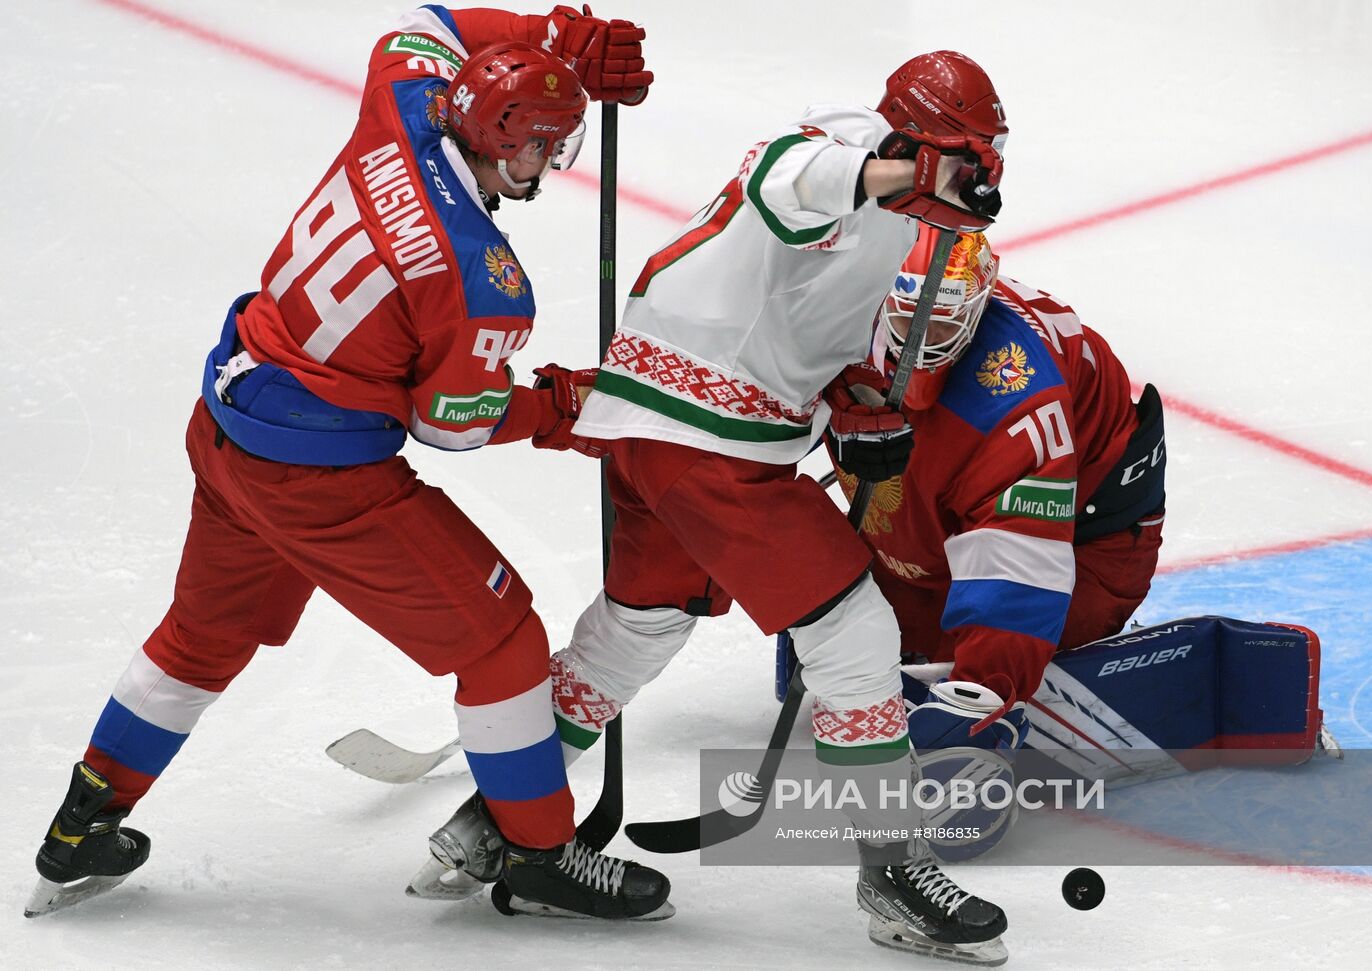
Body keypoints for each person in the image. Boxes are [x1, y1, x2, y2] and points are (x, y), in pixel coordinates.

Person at [27, 5, 672, 923]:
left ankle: (82, 824)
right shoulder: (480, 277)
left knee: (201, 639)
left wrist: (550, 37)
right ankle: (537, 857)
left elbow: (432, 18)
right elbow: (452, 425)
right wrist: (562, 407)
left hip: (228, 426)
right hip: (322, 483)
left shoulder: (405, 99)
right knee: (503, 645)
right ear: (513, 146)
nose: (549, 166)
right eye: (546, 147)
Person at [416, 50, 1017, 965]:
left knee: (635, 631)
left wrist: (857, 410)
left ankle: (492, 822)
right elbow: (790, 183)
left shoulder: (920, 227)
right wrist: (904, 168)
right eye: (963, 155)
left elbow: (829, 328)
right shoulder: (838, 151)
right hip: (711, 444)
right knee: (854, 639)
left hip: (673, 433)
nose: (981, 175)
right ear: (910, 142)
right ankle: (893, 871)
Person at [833, 224, 1165, 743]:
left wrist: (980, 704)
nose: (919, 346)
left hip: (1082, 544)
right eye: (906, 322)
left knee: (962, 671)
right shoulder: (835, 312)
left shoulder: (1018, 395)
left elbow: (1021, 564)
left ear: (979, 308)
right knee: (855, 644)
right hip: (935, 522)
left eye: (942, 328)